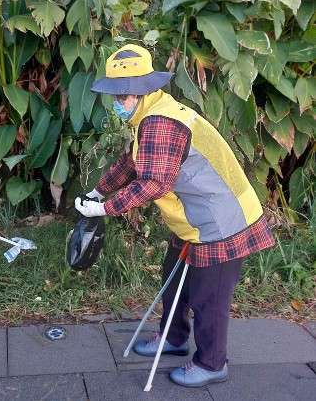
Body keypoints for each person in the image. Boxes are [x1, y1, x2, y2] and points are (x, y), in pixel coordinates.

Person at [75, 44, 275, 388]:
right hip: (193, 220)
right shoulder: (147, 116)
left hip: (222, 221)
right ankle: (175, 338)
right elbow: (131, 163)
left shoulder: (162, 123)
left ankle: (212, 363)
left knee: (208, 299)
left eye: (123, 96)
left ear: (144, 90)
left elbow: (154, 182)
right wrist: (97, 191)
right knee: (173, 279)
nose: (118, 103)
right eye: (116, 95)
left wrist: (105, 208)